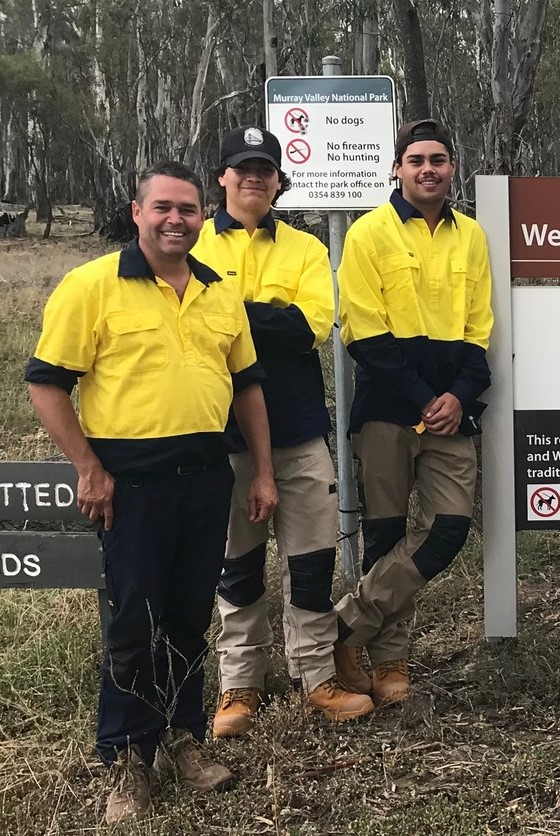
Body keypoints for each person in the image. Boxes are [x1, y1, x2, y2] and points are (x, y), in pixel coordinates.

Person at [24, 162, 278, 823]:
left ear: (203, 217)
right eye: (163, 207)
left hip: (205, 478)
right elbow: (46, 382)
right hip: (130, 483)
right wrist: (87, 466)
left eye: (189, 209)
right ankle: (127, 759)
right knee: (132, 623)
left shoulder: (219, 292)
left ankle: (184, 738)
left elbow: (247, 387)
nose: (176, 219)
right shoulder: (93, 286)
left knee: (190, 616)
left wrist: (264, 472)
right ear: (136, 212)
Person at [193, 127, 375, 735]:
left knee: (313, 559)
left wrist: (230, 310)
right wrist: (265, 313)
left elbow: (309, 329)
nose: (255, 178)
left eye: (265, 169)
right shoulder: (192, 242)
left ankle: (315, 671)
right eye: (243, 168)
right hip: (220, 434)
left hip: (298, 429)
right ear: (222, 176)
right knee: (236, 562)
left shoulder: (305, 249)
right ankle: (239, 683)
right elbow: (188, 324)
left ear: (278, 178)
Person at [332, 119, 494, 706]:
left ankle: (347, 626)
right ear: (397, 169)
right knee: (385, 531)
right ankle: (389, 660)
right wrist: (424, 398)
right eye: (417, 159)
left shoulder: (471, 235)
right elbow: (365, 334)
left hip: (454, 413)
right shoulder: (368, 234)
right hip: (386, 409)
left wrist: (457, 397)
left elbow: (478, 329)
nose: (429, 169)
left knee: (448, 527)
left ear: (453, 169)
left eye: (440, 159)